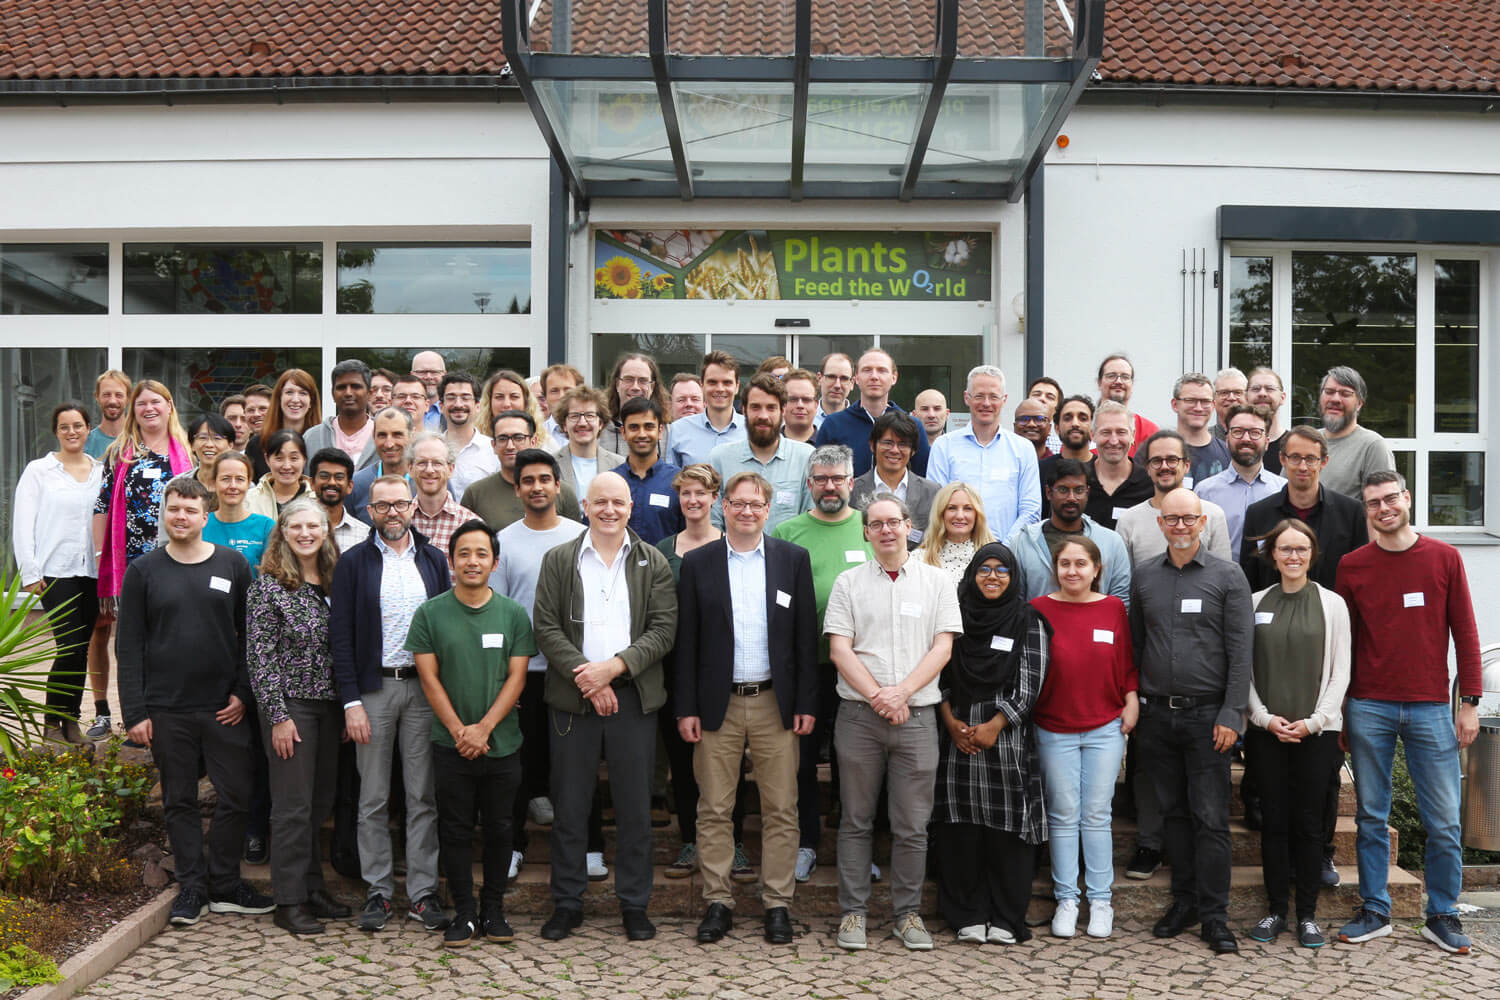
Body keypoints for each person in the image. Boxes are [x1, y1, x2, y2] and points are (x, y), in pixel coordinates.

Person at [1335, 471, 1481, 954]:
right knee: (1371, 816)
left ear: (1407, 498)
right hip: (1368, 705)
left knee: (1443, 820)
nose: (1383, 508)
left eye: (1390, 498)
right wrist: (1340, 709)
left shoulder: (1444, 557)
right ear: (1367, 510)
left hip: (1430, 706)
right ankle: (1375, 909)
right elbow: (1345, 643)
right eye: (1373, 502)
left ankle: (1442, 914)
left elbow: (1466, 633)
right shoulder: (1353, 566)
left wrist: (1469, 703)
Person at [116, 477, 273, 927]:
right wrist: (136, 712)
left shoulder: (233, 564)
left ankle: (225, 884)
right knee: (179, 801)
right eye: (173, 509)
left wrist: (243, 692)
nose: (180, 517)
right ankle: (192, 888)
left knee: (237, 795)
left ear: (206, 516)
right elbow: (128, 647)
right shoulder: (143, 571)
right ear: (165, 515)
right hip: (166, 709)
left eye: (189, 510)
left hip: (224, 707)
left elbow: (252, 636)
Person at [531, 472, 677, 943]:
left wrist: (612, 669)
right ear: (585, 507)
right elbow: (546, 627)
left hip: (632, 696)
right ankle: (567, 903)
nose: (609, 510)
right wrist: (589, 678)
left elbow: (662, 630)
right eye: (600, 502)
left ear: (630, 507)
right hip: (574, 697)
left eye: (618, 501)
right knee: (571, 806)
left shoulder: (652, 561)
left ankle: (634, 905)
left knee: (635, 809)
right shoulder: (560, 559)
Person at [676, 472, 818, 946]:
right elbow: (687, 641)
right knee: (715, 808)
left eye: (756, 504)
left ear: (768, 508)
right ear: (723, 506)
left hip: (776, 702)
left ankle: (777, 903)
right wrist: (687, 707)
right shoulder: (698, 563)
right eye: (738, 504)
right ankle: (718, 901)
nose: (747, 512)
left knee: (782, 807)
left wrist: (804, 701)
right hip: (718, 705)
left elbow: (803, 638)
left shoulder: (792, 560)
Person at [825, 494, 962, 952]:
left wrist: (902, 693)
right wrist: (880, 697)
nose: (886, 530)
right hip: (859, 717)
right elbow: (840, 650)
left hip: (918, 716)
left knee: (912, 825)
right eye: (876, 524)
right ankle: (853, 914)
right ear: (865, 532)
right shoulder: (848, 583)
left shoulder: (938, 582)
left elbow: (943, 648)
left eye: (894, 522)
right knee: (856, 820)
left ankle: (907, 915)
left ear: (910, 526)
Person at [1130, 488, 1252, 955]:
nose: (1180, 527)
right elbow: (1138, 646)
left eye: (1189, 520)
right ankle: (1183, 902)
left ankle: (1215, 916)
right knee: (1173, 816)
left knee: (1210, 819)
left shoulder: (1227, 576)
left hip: (1209, 718)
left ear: (1203, 523)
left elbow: (1242, 652)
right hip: (1158, 715)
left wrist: (1231, 713)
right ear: (1160, 523)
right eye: (1172, 519)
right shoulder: (1144, 578)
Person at [330, 475, 452, 934]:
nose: (392, 513)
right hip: (374, 691)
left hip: (423, 690)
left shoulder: (434, 559)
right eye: (382, 507)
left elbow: (445, 625)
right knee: (373, 796)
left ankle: (422, 893)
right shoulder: (353, 563)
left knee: (422, 795)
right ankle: (378, 892)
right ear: (370, 512)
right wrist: (351, 702)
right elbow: (339, 637)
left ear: (413, 505)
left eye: (400, 504)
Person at [409, 519, 535, 948]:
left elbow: (517, 679)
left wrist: (483, 729)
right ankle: (464, 912)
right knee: (456, 829)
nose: (473, 561)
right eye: (464, 553)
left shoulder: (514, 614)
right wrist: (460, 730)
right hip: (450, 745)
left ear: (494, 562)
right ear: (450, 560)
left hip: (502, 745)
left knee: (501, 828)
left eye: (482, 553)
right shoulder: (430, 613)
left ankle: (493, 909)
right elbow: (429, 680)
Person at [1242, 519, 1351, 950]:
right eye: (1285, 549)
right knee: (1274, 824)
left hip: (1317, 734)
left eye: (1301, 549)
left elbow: (1341, 671)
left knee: (1309, 825)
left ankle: (1307, 915)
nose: (1293, 557)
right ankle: (1275, 911)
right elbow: (1242, 671)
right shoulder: (1253, 604)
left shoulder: (1333, 605)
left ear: (1312, 554)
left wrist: (1315, 721)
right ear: (1272, 555)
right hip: (1267, 732)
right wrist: (1264, 718)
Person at [934, 542, 1049, 946]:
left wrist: (996, 724)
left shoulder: (1027, 619)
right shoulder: (955, 615)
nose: (993, 576)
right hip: (958, 732)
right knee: (960, 829)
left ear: (1014, 575)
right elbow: (940, 671)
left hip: (1007, 737)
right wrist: (950, 722)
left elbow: (1031, 682)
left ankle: (1005, 915)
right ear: (972, 575)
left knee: (1006, 832)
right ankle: (966, 912)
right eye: (985, 569)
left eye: (1002, 569)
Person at [247, 498, 352, 936]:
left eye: (314, 526)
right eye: (297, 527)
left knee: (318, 804)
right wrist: (278, 716)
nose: (306, 534)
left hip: (330, 708)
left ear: (326, 532)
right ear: (283, 533)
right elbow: (260, 657)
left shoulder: (334, 582)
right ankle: (288, 902)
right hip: (292, 708)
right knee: (291, 808)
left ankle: (312, 888)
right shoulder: (268, 588)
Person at [489, 450, 594, 882]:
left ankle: (589, 846)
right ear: (517, 489)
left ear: (557, 486)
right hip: (522, 672)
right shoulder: (504, 540)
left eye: (544, 479)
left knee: (576, 766)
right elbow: (495, 609)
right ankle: (514, 845)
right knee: (518, 766)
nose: (536, 487)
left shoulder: (582, 535)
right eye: (527, 480)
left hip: (574, 670)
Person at [771, 445, 873, 883]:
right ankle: (806, 842)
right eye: (822, 479)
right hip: (806, 666)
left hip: (861, 668)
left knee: (857, 761)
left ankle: (859, 849)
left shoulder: (869, 529)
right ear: (809, 485)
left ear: (852, 483)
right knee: (803, 760)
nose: (830, 487)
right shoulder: (787, 532)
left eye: (838, 478)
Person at [1032, 537, 1136, 939]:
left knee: (1096, 814)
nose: (1072, 571)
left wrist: (1131, 700)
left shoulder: (1112, 608)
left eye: (1080, 564)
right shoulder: (1038, 609)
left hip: (1104, 726)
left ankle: (1100, 900)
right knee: (1062, 814)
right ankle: (1066, 899)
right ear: (1055, 568)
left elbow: (1126, 660)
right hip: (1053, 726)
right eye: (1064, 564)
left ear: (1096, 569)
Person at [94, 379, 194, 720]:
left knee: (174, 637)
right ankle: (137, 716)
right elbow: (102, 506)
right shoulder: (119, 455)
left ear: (169, 406)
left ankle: (171, 712)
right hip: (132, 565)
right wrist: (98, 558)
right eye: (141, 403)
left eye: (156, 401)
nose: (149, 408)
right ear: (133, 411)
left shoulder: (188, 452)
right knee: (132, 644)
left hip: (177, 562)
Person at [654, 464, 731, 879]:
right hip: (672, 666)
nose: (694, 501)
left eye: (701, 493)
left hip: (722, 666)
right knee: (682, 759)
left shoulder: (730, 545)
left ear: (715, 497)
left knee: (726, 761)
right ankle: (689, 839)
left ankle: (730, 843)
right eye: (686, 493)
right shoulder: (663, 549)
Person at [14, 401, 102, 745]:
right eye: (64, 426)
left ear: (87, 428)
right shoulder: (40, 471)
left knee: (80, 648)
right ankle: (53, 722)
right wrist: (30, 572)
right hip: (55, 572)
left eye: (78, 425)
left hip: (92, 573)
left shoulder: (99, 470)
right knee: (68, 646)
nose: (71, 432)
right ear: (56, 431)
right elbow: (23, 524)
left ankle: (71, 722)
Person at [1240, 426, 1368, 592]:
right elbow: (1249, 578)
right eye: (1295, 457)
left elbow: (1360, 576)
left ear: (1324, 462)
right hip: (1274, 613)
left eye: (1310, 459)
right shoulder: (1258, 515)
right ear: (1282, 459)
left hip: (1331, 614)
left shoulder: (1350, 513)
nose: (1302, 467)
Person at [926, 365, 1039, 540]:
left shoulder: (1023, 449)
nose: (986, 403)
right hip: (954, 554)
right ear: (967, 398)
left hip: (1007, 554)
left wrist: (1003, 550)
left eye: (993, 397)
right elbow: (936, 504)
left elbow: (1031, 510)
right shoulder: (944, 446)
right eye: (979, 396)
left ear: (1004, 400)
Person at [1007, 459, 1131, 606]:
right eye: (1063, 490)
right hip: (1038, 627)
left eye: (1079, 490)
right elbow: (1014, 601)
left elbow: (1121, 603)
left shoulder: (1111, 542)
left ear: (1087, 492)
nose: (1071, 498)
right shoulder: (1022, 543)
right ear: (1048, 492)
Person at [709, 373, 812, 531]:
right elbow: (714, 525)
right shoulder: (720, 459)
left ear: (783, 410)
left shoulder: (805, 458)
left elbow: (809, 523)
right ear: (744, 410)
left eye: (771, 408)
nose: (763, 416)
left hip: (788, 555)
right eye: (755, 407)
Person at [1115, 429, 1233, 564]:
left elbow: (1224, 575)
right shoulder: (1128, 521)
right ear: (1147, 468)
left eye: (1172, 460)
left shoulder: (1213, 515)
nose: (1164, 467)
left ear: (1186, 465)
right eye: (1156, 460)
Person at [814, 348, 931, 478]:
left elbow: (922, 480)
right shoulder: (834, 425)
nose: (874, 376)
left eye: (882, 370)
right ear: (856, 378)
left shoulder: (913, 426)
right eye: (867, 370)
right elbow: (821, 478)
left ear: (894, 377)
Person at [461, 410, 582, 530]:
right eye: (502, 439)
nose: (510, 446)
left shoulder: (561, 492)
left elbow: (576, 540)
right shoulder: (475, 494)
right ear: (494, 445)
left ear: (533, 441)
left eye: (518, 438)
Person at [1194, 404, 1286, 554]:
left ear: (1267, 442)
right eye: (1238, 432)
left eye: (1255, 433)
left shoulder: (1283, 490)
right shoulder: (1205, 492)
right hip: (1221, 576)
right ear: (1227, 439)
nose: (1246, 438)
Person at [850, 411, 939, 549]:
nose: (894, 450)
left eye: (903, 444)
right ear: (873, 445)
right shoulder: (852, 491)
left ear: (913, 451)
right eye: (888, 443)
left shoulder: (932, 492)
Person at [1318, 366, 1397, 497]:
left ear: (1359, 403)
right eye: (1329, 392)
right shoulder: (1306, 440)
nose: (1335, 399)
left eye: (1345, 394)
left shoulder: (1372, 446)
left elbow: (1382, 505)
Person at [615, 397, 684, 545]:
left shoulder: (679, 481)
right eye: (634, 427)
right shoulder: (611, 481)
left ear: (660, 431)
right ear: (623, 432)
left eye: (648, 427)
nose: (642, 434)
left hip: (665, 566)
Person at [407, 433, 481, 569]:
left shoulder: (470, 525)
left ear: (451, 469)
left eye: (437, 463)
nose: (429, 470)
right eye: (422, 463)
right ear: (410, 468)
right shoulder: (399, 520)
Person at [667, 351, 745, 467]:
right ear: (702, 385)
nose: (720, 388)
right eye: (712, 382)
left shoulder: (751, 430)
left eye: (727, 382)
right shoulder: (679, 430)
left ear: (737, 387)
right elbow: (672, 481)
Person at [1082, 402, 1152, 530]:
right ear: (1092, 435)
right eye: (1106, 432)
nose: (1114, 441)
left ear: (1133, 435)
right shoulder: (1078, 479)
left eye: (1121, 432)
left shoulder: (1149, 484)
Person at [203, 451, 274, 575]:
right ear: (213, 483)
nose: (233, 486)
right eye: (226, 479)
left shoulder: (266, 527)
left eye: (240, 479)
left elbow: (271, 578)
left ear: (248, 483)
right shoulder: (200, 525)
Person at [916, 482, 997, 587]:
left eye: (968, 508)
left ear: (977, 514)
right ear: (941, 513)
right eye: (952, 508)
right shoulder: (918, 559)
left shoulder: (994, 558)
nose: (959, 515)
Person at [553, 386, 625, 499]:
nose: (582, 423)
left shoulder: (620, 465)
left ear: (601, 423)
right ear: (564, 425)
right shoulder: (549, 464)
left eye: (590, 415)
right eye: (574, 416)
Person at [304, 359, 377, 471]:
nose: (348, 393)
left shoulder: (383, 436)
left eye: (356, 386)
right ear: (333, 394)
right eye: (341, 387)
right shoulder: (312, 438)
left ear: (369, 393)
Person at [248, 369, 320, 480]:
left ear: (311, 402)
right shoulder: (258, 444)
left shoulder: (321, 442)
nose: (295, 399)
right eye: (289, 392)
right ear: (279, 398)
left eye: (303, 393)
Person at [438, 372, 500, 499]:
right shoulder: (431, 450)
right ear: (441, 406)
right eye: (451, 398)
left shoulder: (494, 450)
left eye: (465, 398)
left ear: (477, 406)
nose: (458, 404)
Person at [348, 407, 413, 520]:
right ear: (373, 436)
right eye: (382, 435)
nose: (389, 444)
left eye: (397, 435)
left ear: (411, 436)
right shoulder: (356, 484)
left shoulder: (428, 481)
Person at [603, 353, 672, 456]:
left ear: (652, 387)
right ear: (617, 384)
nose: (635, 387)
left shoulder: (668, 433)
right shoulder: (600, 431)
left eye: (642, 381)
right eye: (628, 379)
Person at [1170, 373, 1231, 488]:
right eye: (1190, 400)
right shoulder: (1156, 451)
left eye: (1205, 401)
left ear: (1213, 406)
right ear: (1175, 405)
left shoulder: (1228, 454)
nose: (1198, 408)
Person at [1039, 395, 1094, 517]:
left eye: (1083, 418)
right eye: (1068, 418)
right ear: (1057, 428)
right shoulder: (1040, 470)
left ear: (1092, 428)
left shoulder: (1104, 470)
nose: (1075, 423)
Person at [1095, 354, 1157, 458]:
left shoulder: (1148, 430)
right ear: (1099, 382)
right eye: (1111, 376)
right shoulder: (1083, 425)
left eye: (1125, 377)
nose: (1118, 381)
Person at [309, 448, 368, 554]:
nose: (332, 482)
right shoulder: (297, 528)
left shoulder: (364, 535)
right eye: (324, 476)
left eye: (339, 477)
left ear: (350, 486)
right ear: (312, 483)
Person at [245, 429, 312, 518]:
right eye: (279, 458)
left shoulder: (315, 500)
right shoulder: (249, 500)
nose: (287, 466)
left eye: (294, 458)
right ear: (267, 459)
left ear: (304, 459)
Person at [479, 369, 548, 452]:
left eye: (514, 397)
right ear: (489, 402)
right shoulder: (476, 442)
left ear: (526, 402)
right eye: (499, 397)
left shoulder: (546, 445)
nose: (506, 404)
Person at [1245, 367, 1288, 476]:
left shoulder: (1293, 444)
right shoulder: (1236, 443)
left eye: (1270, 389)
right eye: (1255, 389)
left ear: (1282, 397)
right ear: (1245, 397)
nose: (1262, 394)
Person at [84, 370, 130, 459]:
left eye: (119, 395)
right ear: (97, 397)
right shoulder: (86, 443)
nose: (112, 401)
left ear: (128, 398)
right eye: (106, 395)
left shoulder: (140, 440)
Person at [539, 363, 586, 446]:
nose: (561, 396)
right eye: (554, 391)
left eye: (568, 390)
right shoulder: (537, 434)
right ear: (545, 396)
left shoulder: (593, 431)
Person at [813, 353, 854, 429]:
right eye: (831, 377)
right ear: (819, 379)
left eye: (844, 378)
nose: (837, 385)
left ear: (852, 383)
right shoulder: (805, 419)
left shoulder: (861, 423)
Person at [780, 368, 820, 445]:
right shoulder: (765, 446)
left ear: (816, 405)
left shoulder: (830, 447)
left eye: (806, 399)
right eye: (792, 399)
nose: (800, 405)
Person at [1208, 368, 1248, 441]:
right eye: (1224, 392)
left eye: (1237, 392)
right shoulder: (1202, 439)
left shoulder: (1259, 437)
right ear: (1214, 399)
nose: (1231, 398)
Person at [411, 350, 447, 430]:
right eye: (422, 372)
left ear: (444, 375)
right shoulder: (400, 410)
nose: (428, 377)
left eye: (434, 372)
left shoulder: (453, 409)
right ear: (412, 375)